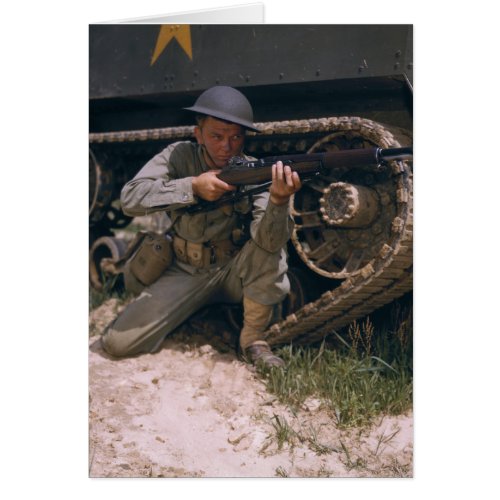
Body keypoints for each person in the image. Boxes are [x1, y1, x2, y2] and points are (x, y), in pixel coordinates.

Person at [101, 86, 301, 367]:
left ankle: (252, 339)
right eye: (216, 136)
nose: (226, 146)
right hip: (185, 268)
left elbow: (270, 243)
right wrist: (191, 186)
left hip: (235, 271)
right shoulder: (179, 156)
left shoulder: (255, 170)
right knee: (117, 344)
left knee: (267, 251)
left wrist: (279, 202)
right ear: (199, 135)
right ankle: (200, 310)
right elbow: (130, 198)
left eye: (235, 137)